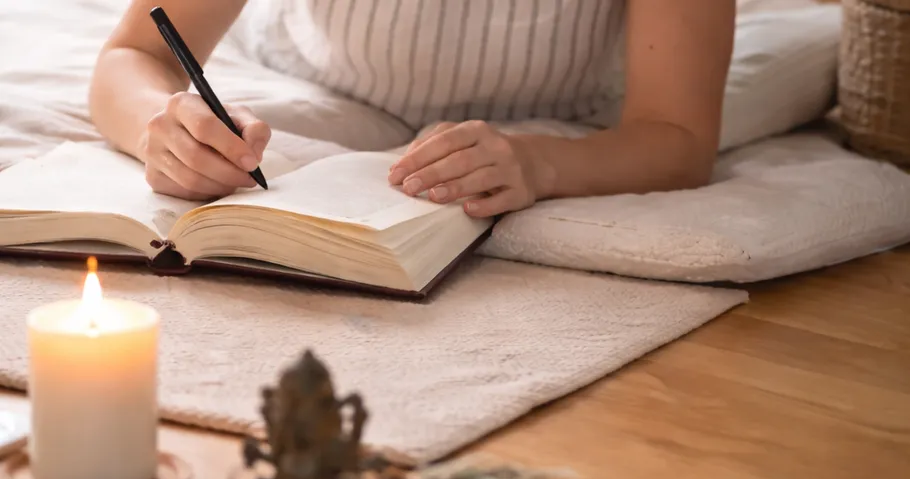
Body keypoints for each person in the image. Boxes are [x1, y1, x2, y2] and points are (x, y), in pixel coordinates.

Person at [88, 0, 734, 218]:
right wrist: (160, 129)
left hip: (565, 102)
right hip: (318, 71)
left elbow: (677, 136)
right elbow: (138, 53)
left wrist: (541, 165)